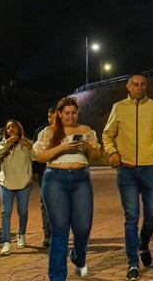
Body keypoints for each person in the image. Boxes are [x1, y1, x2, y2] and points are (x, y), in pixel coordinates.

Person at [102, 74, 153, 281]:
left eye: (143, 84)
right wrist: (112, 152)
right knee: (131, 217)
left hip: (149, 169)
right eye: (135, 84)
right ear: (128, 86)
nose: (139, 87)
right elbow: (107, 134)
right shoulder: (118, 107)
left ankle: (143, 243)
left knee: (152, 213)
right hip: (126, 170)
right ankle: (132, 263)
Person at [34, 97, 100, 280]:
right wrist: (62, 147)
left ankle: (78, 256)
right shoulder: (49, 132)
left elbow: (96, 155)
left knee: (83, 227)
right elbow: (40, 156)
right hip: (55, 180)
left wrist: (86, 145)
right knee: (60, 229)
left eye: (74, 112)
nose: (70, 116)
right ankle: (57, 276)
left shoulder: (86, 130)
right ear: (60, 114)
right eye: (66, 113)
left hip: (81, 180)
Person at [0, 119, 34, 256]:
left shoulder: (26, 144)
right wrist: (7, 143)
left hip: (23, 183)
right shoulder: (3, 144)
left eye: (13, 127)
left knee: (23, 211)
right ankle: (6, 242)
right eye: (8, 128)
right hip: (6, 183)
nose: (10, 130)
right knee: (5, 212)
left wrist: (28, 145)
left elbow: (37, 156)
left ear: (19, 129)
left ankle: (21, 234)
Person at [33, 107, 56, 248]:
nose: (51, 118)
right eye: (49, 116)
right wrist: (35, 171)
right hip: (44, 172)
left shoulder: (67, 132)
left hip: (61, 172)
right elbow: (34, 154)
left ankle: (58, 233)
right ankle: (48, 235)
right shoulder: (41, 131)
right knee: (45, 203)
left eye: (53, 116)